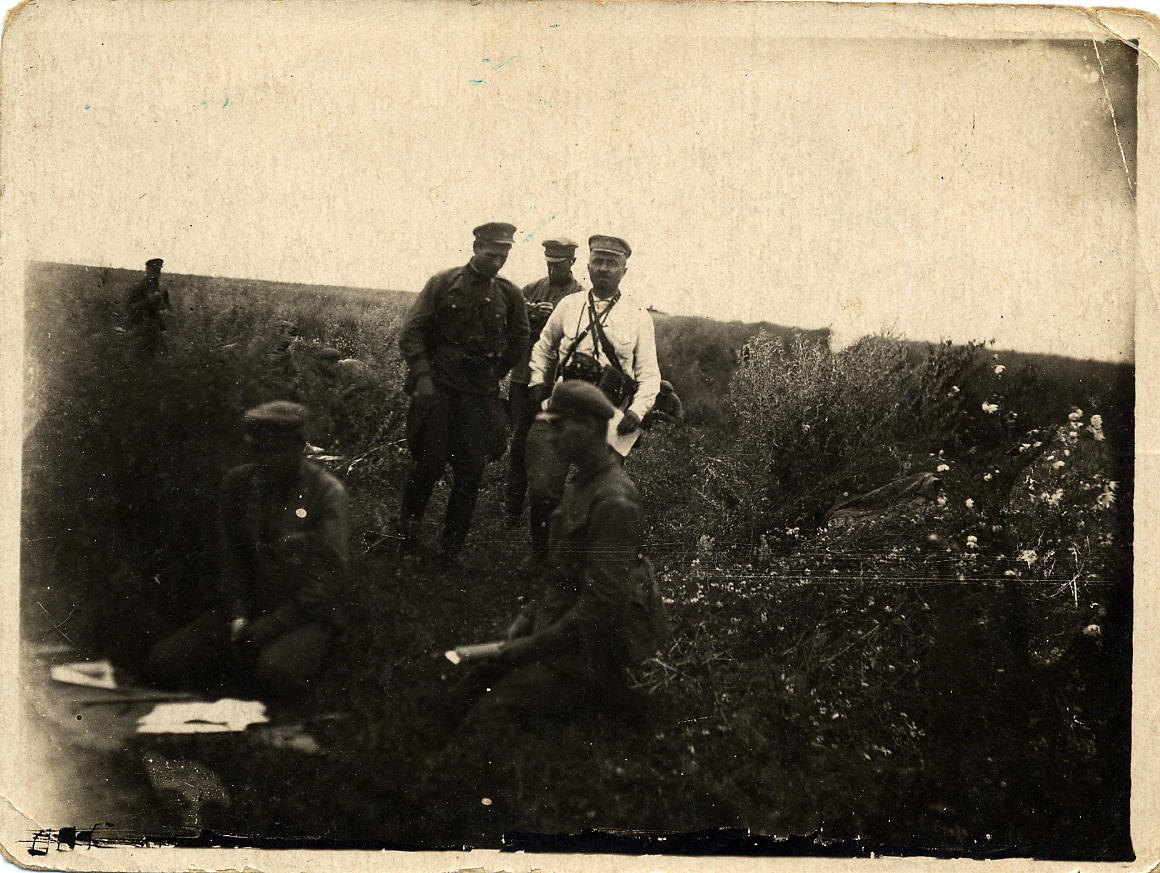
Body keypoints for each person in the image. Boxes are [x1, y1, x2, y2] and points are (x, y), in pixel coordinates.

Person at [449, 381, 667, 722]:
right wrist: (527, 618)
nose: (551, 438)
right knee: (474, 680)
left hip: (599, 649)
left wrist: (532, 645)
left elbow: (602, 606)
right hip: (570, 630)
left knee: (489, 713)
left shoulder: (615, 501)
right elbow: (561, 569)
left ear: (590, 428)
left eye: (560, 427)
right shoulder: (581, 485)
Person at [145, 401, 350, 705]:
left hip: (305, 617)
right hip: (249, 612)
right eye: (258, 451)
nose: (265, 461)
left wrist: (273, 625)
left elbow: (328, 582)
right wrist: (238, 615)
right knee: (164, 662)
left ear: (298, 447)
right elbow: (230, 559)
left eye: (275, 451)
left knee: (275, 673)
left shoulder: (326, 493)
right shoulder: (237, 484)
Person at [522, 235, 661, 569]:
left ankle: (582, 565)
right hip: (561, 410)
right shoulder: (569, 306)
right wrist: (538, 382)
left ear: (624, 270)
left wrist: (636, 411)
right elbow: (543, 347)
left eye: (612, 263)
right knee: (543, 489)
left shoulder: (638, 315)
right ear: (587, 265)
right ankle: (541, 556)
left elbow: (649, 374)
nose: (604, 269)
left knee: (600, 496)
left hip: (607, 418)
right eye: (598, 261)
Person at [396, 222, 529, 562]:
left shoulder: (510, 294)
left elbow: (520, 339)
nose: (497, 262)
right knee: (429, 464)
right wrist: (422, 376)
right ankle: (406, 535)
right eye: (491, 254)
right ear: (476, 247)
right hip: (439, 388)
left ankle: (451, 549)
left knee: (471, 471)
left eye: (503, 256)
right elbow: (411, 332)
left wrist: (496, 370)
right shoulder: (443, 282)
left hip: (479, 395)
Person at [505, 237, 584, 525]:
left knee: (553, 447)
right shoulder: (530, 289)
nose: (552, 269)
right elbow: (510, 326)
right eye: (549, 263)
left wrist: (553, 320)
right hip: (524, 378)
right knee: (519, 443)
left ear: (572, 262)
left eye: (559, 264)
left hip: (557, 385)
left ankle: (547, 509)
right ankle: (512, 508)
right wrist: (530, 314)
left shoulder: (580, 297)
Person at [124, 257, 172, 355]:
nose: (157, 273)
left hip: (158, 331)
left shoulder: (162, 289)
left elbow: (169, 308)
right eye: (154, 270)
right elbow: (130, 307)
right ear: (147, 270)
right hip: (140, 330)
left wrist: (165, 312)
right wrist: (148, 301)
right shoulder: (139, 287)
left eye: (158, 270)